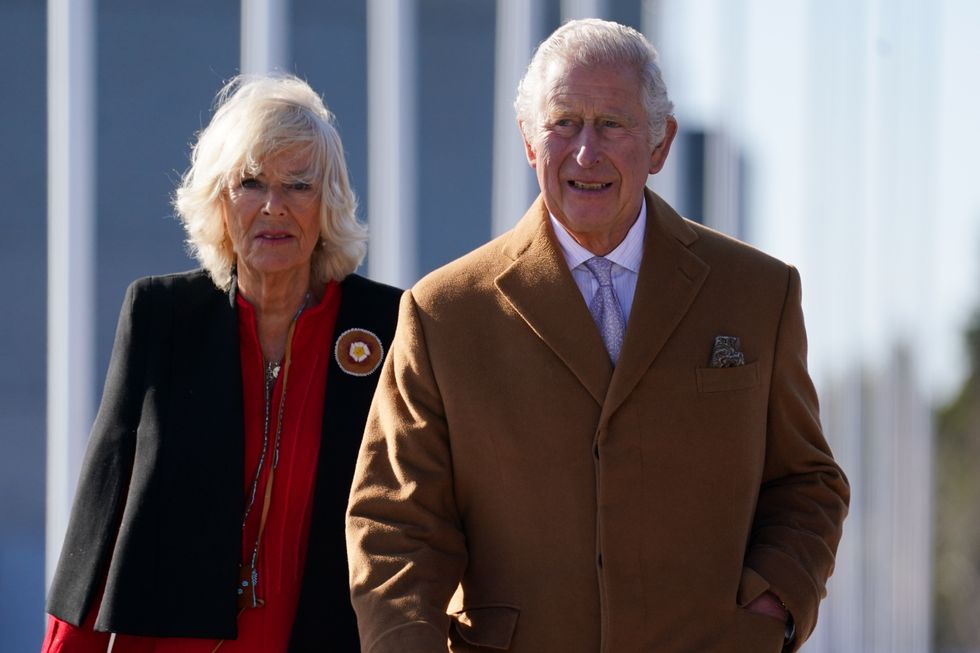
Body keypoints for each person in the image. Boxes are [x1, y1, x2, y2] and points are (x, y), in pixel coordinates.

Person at [346, 18, 849, 653]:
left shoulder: (757, 293)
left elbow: (808, 483)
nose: (586, 152)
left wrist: (771, 606)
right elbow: (396, 526)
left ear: (660, 145)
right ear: (530, 141)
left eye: (612, 124)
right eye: (563, 123)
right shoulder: (444, 312)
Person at [42, 74, 400, 652]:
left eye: (299, 185)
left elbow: (419, 519)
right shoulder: (163, 315)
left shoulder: (388, 326)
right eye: (250, 183)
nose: (274, 206)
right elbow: (99, 514)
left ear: (328, 200)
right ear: (219, 200)